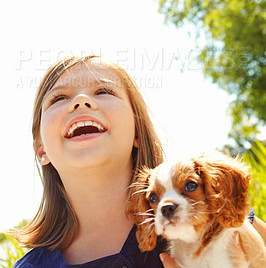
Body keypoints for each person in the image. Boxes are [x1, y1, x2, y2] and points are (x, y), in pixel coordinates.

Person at [12, 55, 266, 268]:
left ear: (137, 132)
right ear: (41, 149)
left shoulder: (218, 218)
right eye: (58, 98)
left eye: (103, 91)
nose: (81, 101)